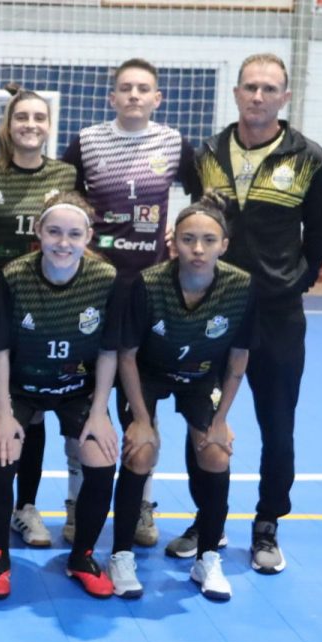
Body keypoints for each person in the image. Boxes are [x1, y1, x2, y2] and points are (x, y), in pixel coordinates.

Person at [179, 53, 322, 572]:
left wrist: (293, 285)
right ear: (236, 93)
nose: (258, 96)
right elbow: (196, 223)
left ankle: (268, 523)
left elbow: (320, 236)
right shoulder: (206, 153)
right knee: (202, 417)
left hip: (277, 317)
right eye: (250, 87)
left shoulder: (308, 158)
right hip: (214, 310)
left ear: (284, 97)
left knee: (277, 424)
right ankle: (208, 520)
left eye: (269, 89)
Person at [61, 59, 197, 548]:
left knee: (143, 403)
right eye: (125, 88)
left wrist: (182, 229)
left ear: (157, 98)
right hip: (94, 286)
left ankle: (142, 505)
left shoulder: (174, 143)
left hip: (149, 290)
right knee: (83, 400)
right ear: (112, 97)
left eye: (143, 89)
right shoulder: (88, 141)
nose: (134, 95)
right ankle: (76, 503)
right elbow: (64, 199)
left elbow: (206, 198)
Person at [110, 192, 256, 601]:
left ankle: (207, 556)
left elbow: (238, 359)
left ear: (223, 245)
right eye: (188, 239)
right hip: (147, 373)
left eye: (208, 240)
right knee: (141, 452)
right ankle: (121, 554)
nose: (198, 249)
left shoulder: (241, 287)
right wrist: (142, 421)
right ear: (173, 242)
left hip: (201, 375)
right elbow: (127, 355)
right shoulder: (148, 284)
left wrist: (221, 419)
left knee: (215, 453)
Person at [0, 85, 78, 549]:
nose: (30, 125)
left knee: (34, 411)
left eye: (38, 117)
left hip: (47, 305)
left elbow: (79, 226)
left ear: (49, 125)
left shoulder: (66, 174)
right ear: (8, 125)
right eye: (21, 117)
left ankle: (25, 507)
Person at [0, 192, 123, 599]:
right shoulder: (14, 276)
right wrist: (2, 413)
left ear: (88, 237)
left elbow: (108, 352)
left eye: (74, 234)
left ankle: (82, 557)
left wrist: (99, 412)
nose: (64, 243)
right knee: (2, 454)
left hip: (76, 389)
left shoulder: (105, 279)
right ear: (38, 232)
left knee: (102, 456)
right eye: (54, 232)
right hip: (21, 386)